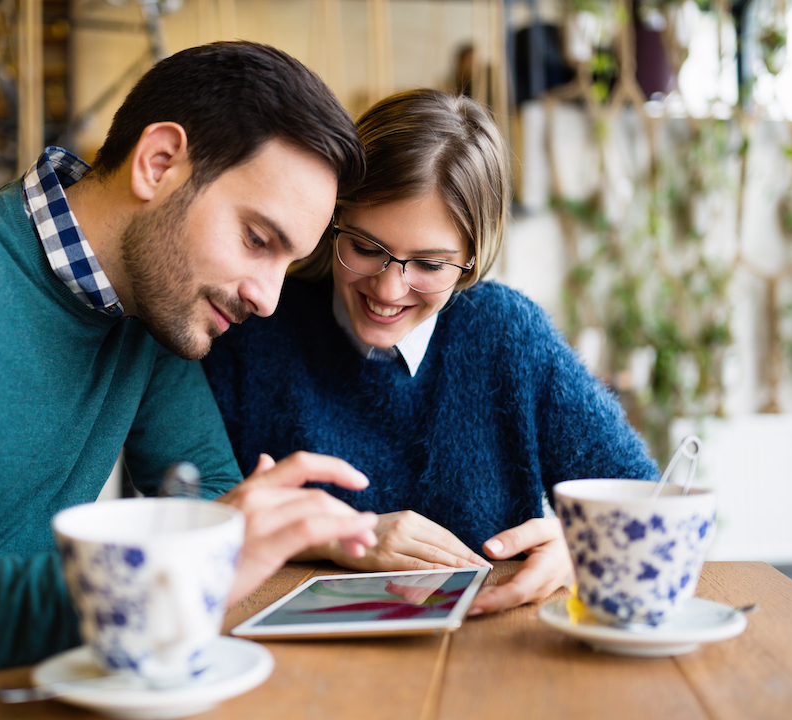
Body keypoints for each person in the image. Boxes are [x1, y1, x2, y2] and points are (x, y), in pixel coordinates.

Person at [0, 42, 380, 720]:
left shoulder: (152, 316)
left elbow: (219, 513)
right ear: (159, 163)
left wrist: (319, 530)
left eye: (288, 264)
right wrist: (139, 592)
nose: (267, 298)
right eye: (258, 240)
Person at [201, 89, 660, 616]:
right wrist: (340, 537)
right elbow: (195, 524)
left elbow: (644, 501)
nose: (390, 290)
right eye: (366, 248)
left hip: (490, 661)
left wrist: (582, 550)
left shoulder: (506, 333)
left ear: (473, 258)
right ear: (333, 219)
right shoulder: (252, 324)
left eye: (430, 265)